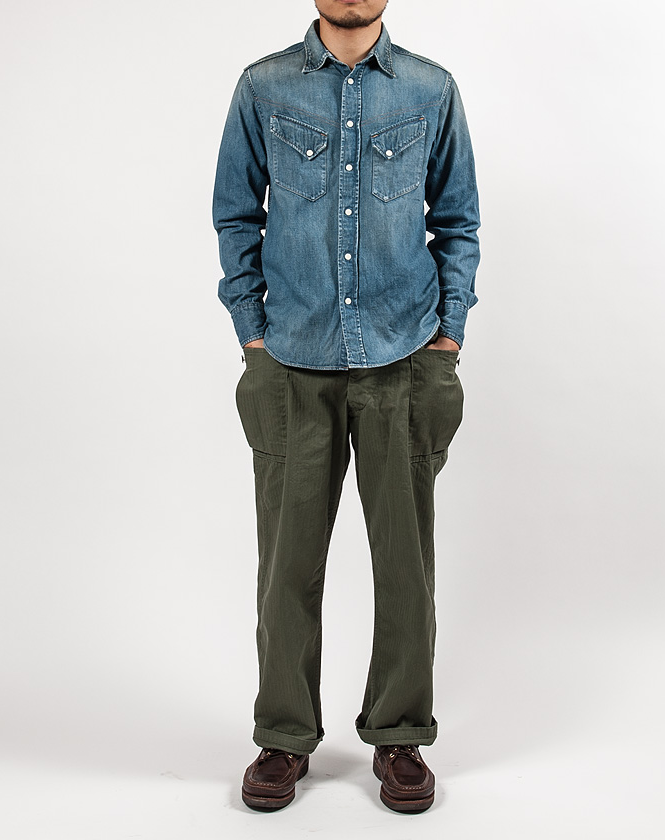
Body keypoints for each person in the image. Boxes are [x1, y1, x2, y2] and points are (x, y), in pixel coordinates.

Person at [212, 0, 480, 814]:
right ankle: (283, 735)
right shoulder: (263, 88)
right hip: (291, 363)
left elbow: (458, 221)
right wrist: (254, 335)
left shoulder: (431, 90)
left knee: (406, 567)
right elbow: (236, 216)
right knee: (286, 567)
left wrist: (448, 337)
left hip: (404, 357)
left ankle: (400, 734)